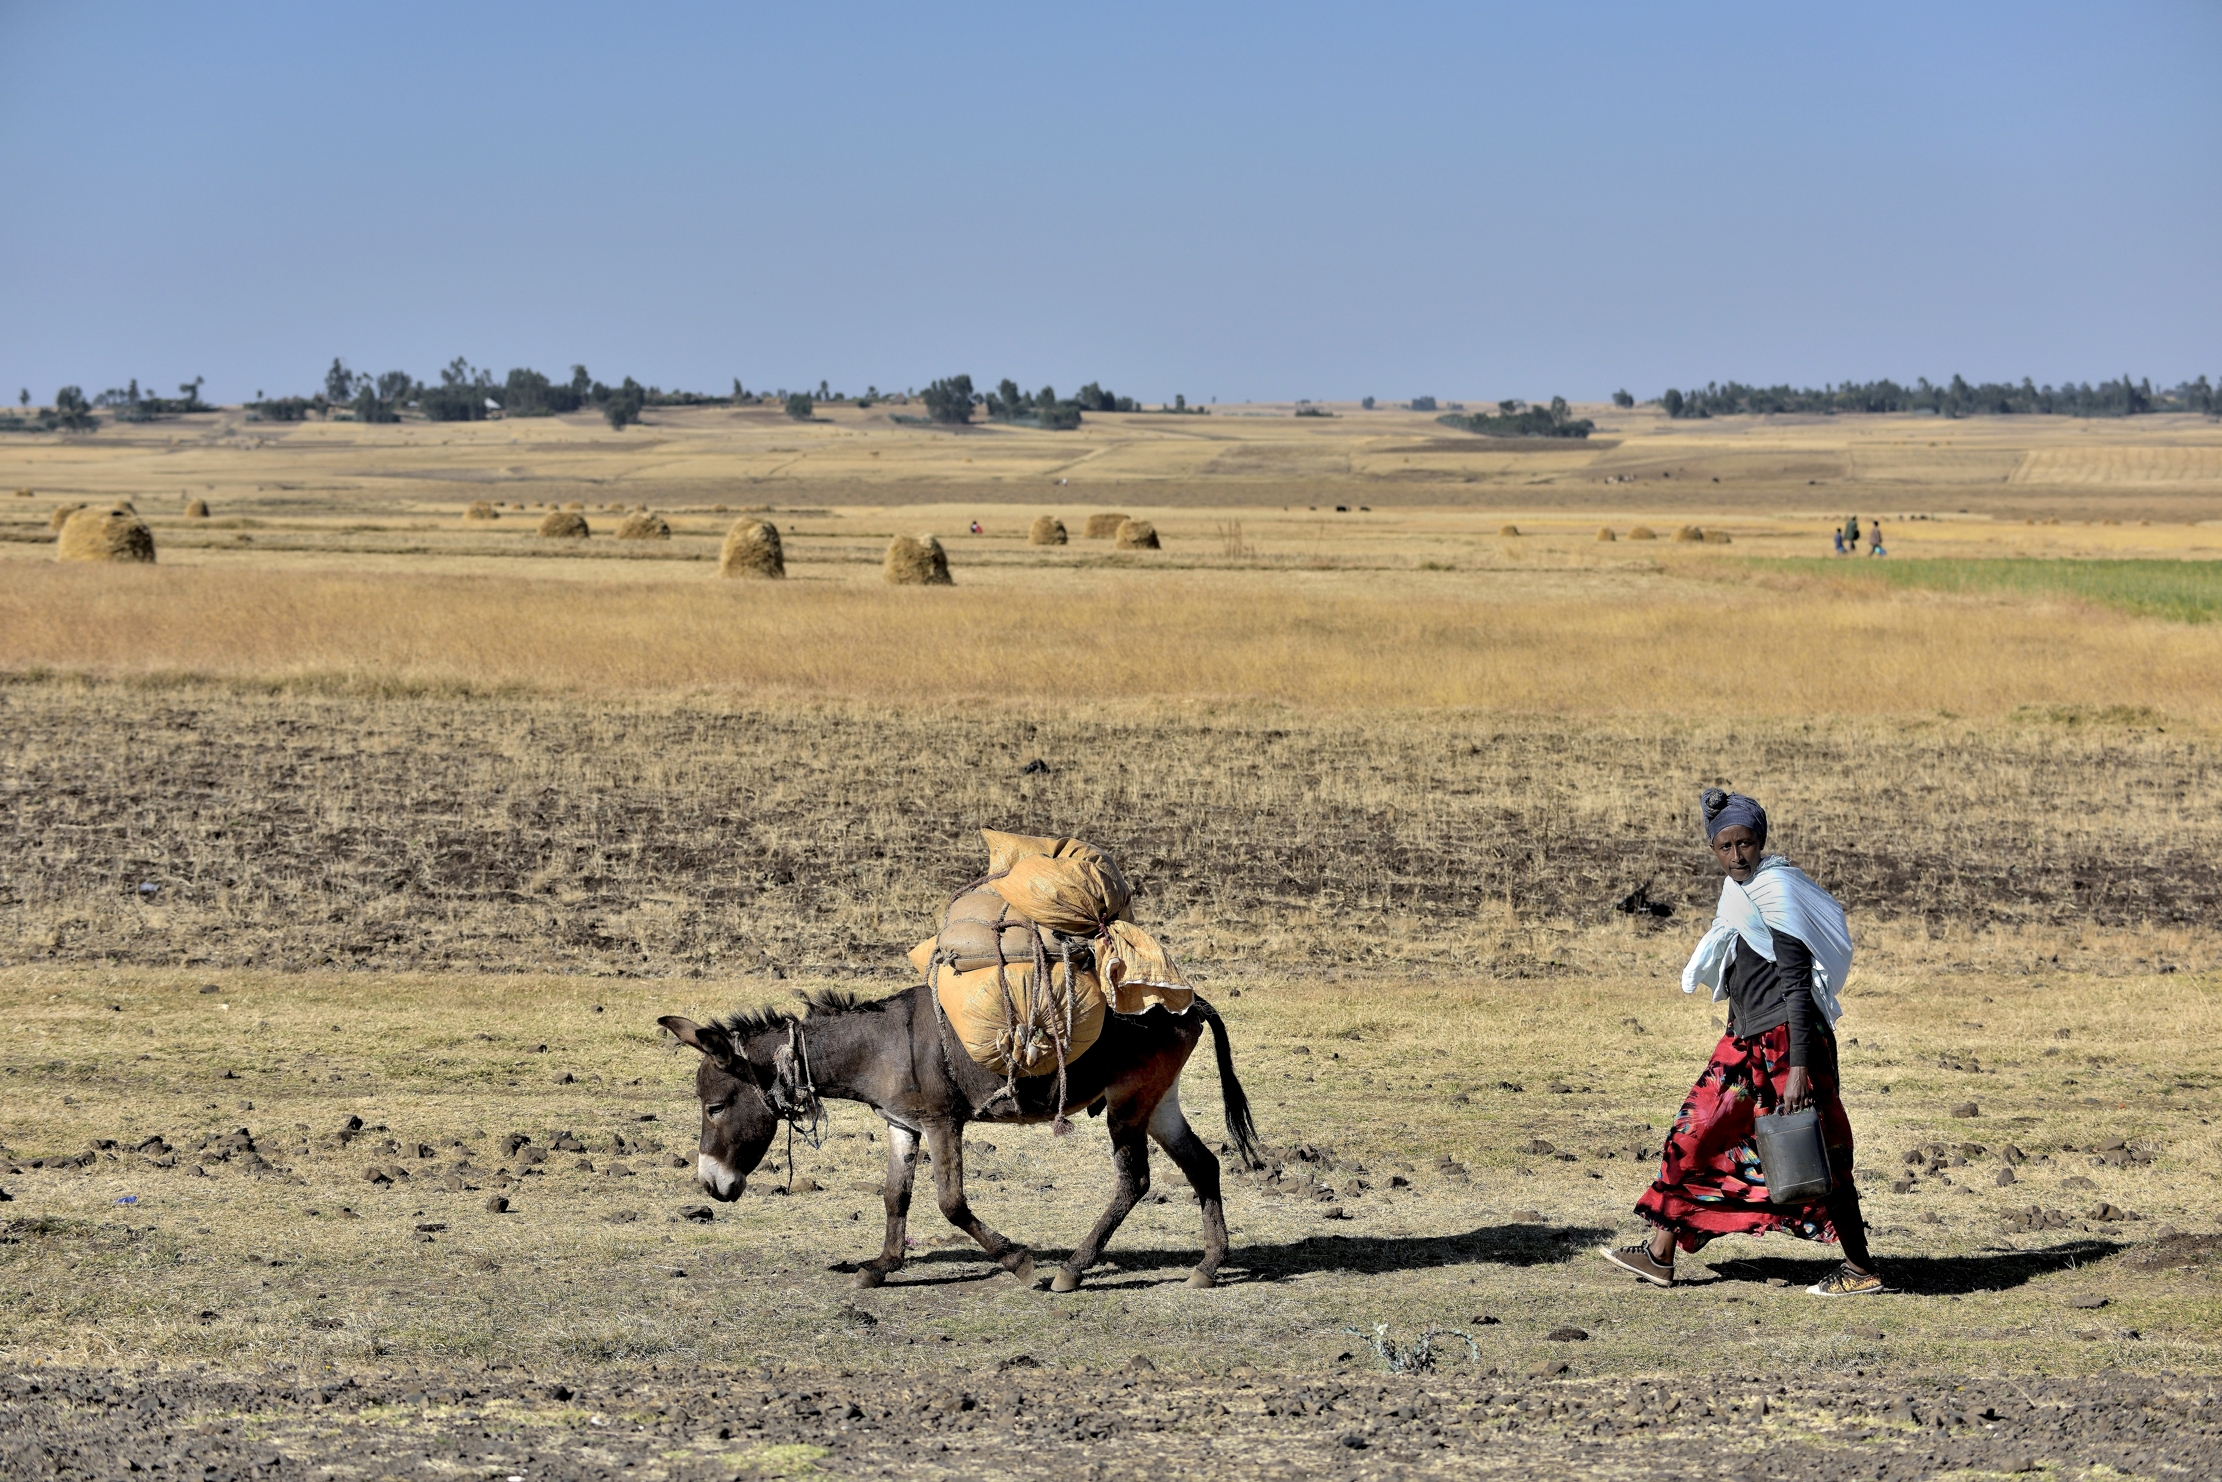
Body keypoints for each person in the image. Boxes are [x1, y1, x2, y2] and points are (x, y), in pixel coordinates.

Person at [1604, 789, 1884, 1296]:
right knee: (1695, 1135)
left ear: (1761, 842)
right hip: (1746, 1041)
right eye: (1725, 846)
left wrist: (1799, 1068)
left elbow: (1797, 985)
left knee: (1820, 1152)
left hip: (1789, 1045)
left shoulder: (1776, 893)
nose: (1737, 856)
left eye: (1746, 843)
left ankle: (1861, 1268)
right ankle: (1660, 1255)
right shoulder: (1742, 892)